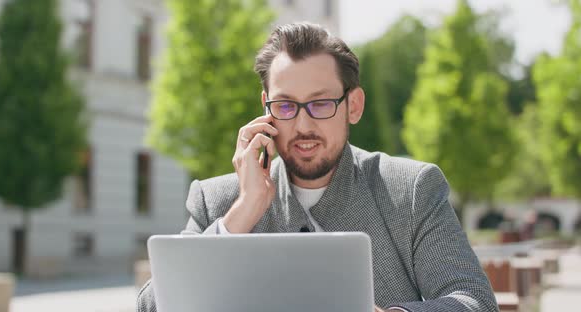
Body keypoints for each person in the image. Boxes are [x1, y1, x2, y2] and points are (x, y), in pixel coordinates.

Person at [137, 22, 498, 312]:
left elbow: (473, 301)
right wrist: (242, 215)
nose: (303, 125)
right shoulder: (217, 199)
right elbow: (152, 307)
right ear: (265, 107)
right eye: (285, 105)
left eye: (321, 104)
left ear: (353, 105)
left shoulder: (411, 189)